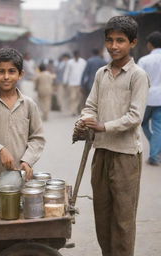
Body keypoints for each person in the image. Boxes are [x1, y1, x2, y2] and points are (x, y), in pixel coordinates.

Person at [73, 16, 149, 256]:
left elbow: (135, 117)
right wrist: (83, 122)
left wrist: (103, 126)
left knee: (123, 219)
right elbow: (90, 106)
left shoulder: (137, 75)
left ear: (133, 43)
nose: (114, 46)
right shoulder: (101, 73)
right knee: (102, 215)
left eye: (120, 41)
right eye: (110, 40)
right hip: (101, 153)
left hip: (126, 156)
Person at [0, 48, 45, 185]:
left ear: (20, 74)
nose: (6, 77)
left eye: (11, 71)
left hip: (22, 175)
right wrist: (0, 150)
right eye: (1, 71)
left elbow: (37, 138)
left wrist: (27, 160)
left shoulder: (29, 104)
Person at [137, 31, 161, 166]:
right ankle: (155, 151)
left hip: (147, 98)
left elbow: (139, 81)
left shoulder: (144, 60)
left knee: (143, 123)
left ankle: (154, 152)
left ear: (150, 44)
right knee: (159, 126)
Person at [63, 50, 86, 116]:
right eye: (75, 55)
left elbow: (85, 73)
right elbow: (66, 72)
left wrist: (84, 82)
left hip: (80, 83)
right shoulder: (70, 62)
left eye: (77, 55)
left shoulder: (83, 62)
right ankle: (73, 111)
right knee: (72, 97)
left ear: (79, 55)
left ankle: (76, 110)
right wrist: (65, 81)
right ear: (74, 56)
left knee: (79, 98)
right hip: (71, 83)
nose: (76, 56)